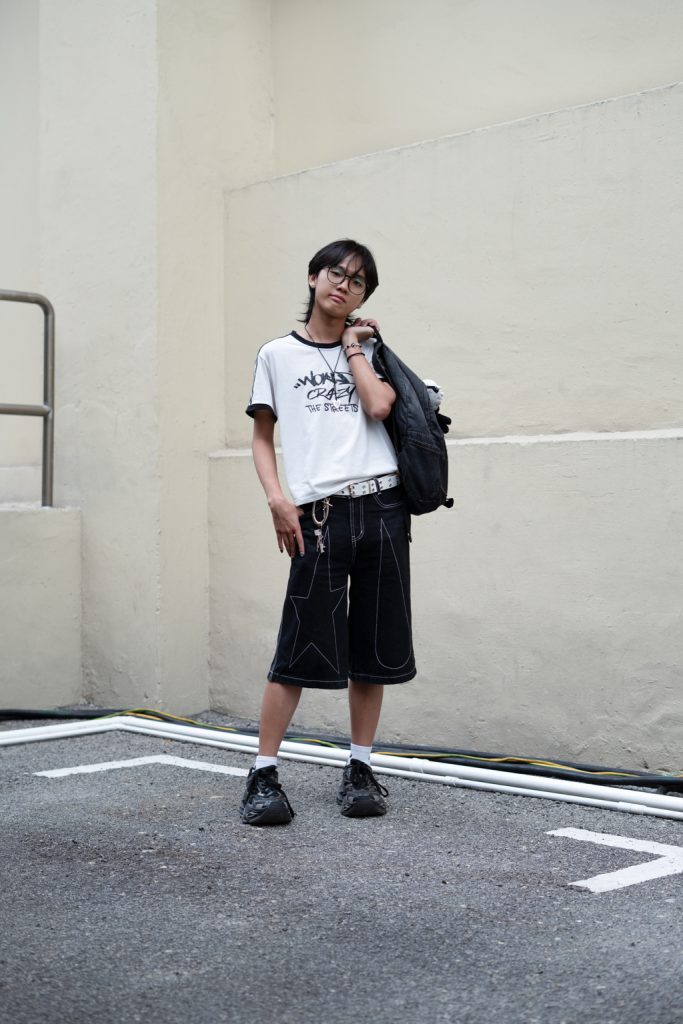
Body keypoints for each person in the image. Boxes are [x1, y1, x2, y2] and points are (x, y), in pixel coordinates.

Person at [241, 239, 416, 825]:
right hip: (319, 514)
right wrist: (277, 498)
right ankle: (263, 773)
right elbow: (262, 436)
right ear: (314, 277)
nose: (344, 284)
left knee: (373, 646)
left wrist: (354, 347)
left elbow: (380, 407)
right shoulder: (276, 354)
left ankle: (360, 768)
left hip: (384, 507)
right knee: (299, 644)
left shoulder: (369, 350)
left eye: (358, 281)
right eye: (336, 273)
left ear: (364, 296)